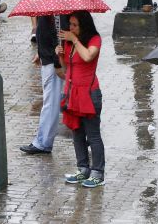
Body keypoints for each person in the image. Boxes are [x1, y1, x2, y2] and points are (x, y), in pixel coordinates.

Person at [55, 11, 106, 188]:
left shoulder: (94, 40)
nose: (71, 28)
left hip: (89, 94)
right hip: (72, 94)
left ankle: (97, 172)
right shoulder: (68, 43)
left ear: (83, 25)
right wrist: (60, 55)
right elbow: (65, 69)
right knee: (76, 132)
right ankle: (82, 168)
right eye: (70, 24)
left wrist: (74, 40)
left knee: (93, 135)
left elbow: (87, 57)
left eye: (75, 25)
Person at [20, 0, 63, 154]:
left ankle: (43, 142)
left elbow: (57, 36)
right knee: (54, 100)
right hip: (47, 57)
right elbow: (45, 33)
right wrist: (40, 51)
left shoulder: (54, 1)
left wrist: (57, 63)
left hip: (53, 62)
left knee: (51, 102)